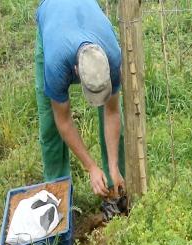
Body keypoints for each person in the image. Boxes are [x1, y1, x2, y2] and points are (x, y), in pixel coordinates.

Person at [35, 0, 127, 222]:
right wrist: (91, 167)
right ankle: (57, 198)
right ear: (75, 71)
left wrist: (112, 166)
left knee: (115, 117)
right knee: (50, 124)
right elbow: (63, 120)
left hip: (86, 16)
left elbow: (111, 112)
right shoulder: (56, 63)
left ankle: (115, 187)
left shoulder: (112, 56)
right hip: (52, 15)